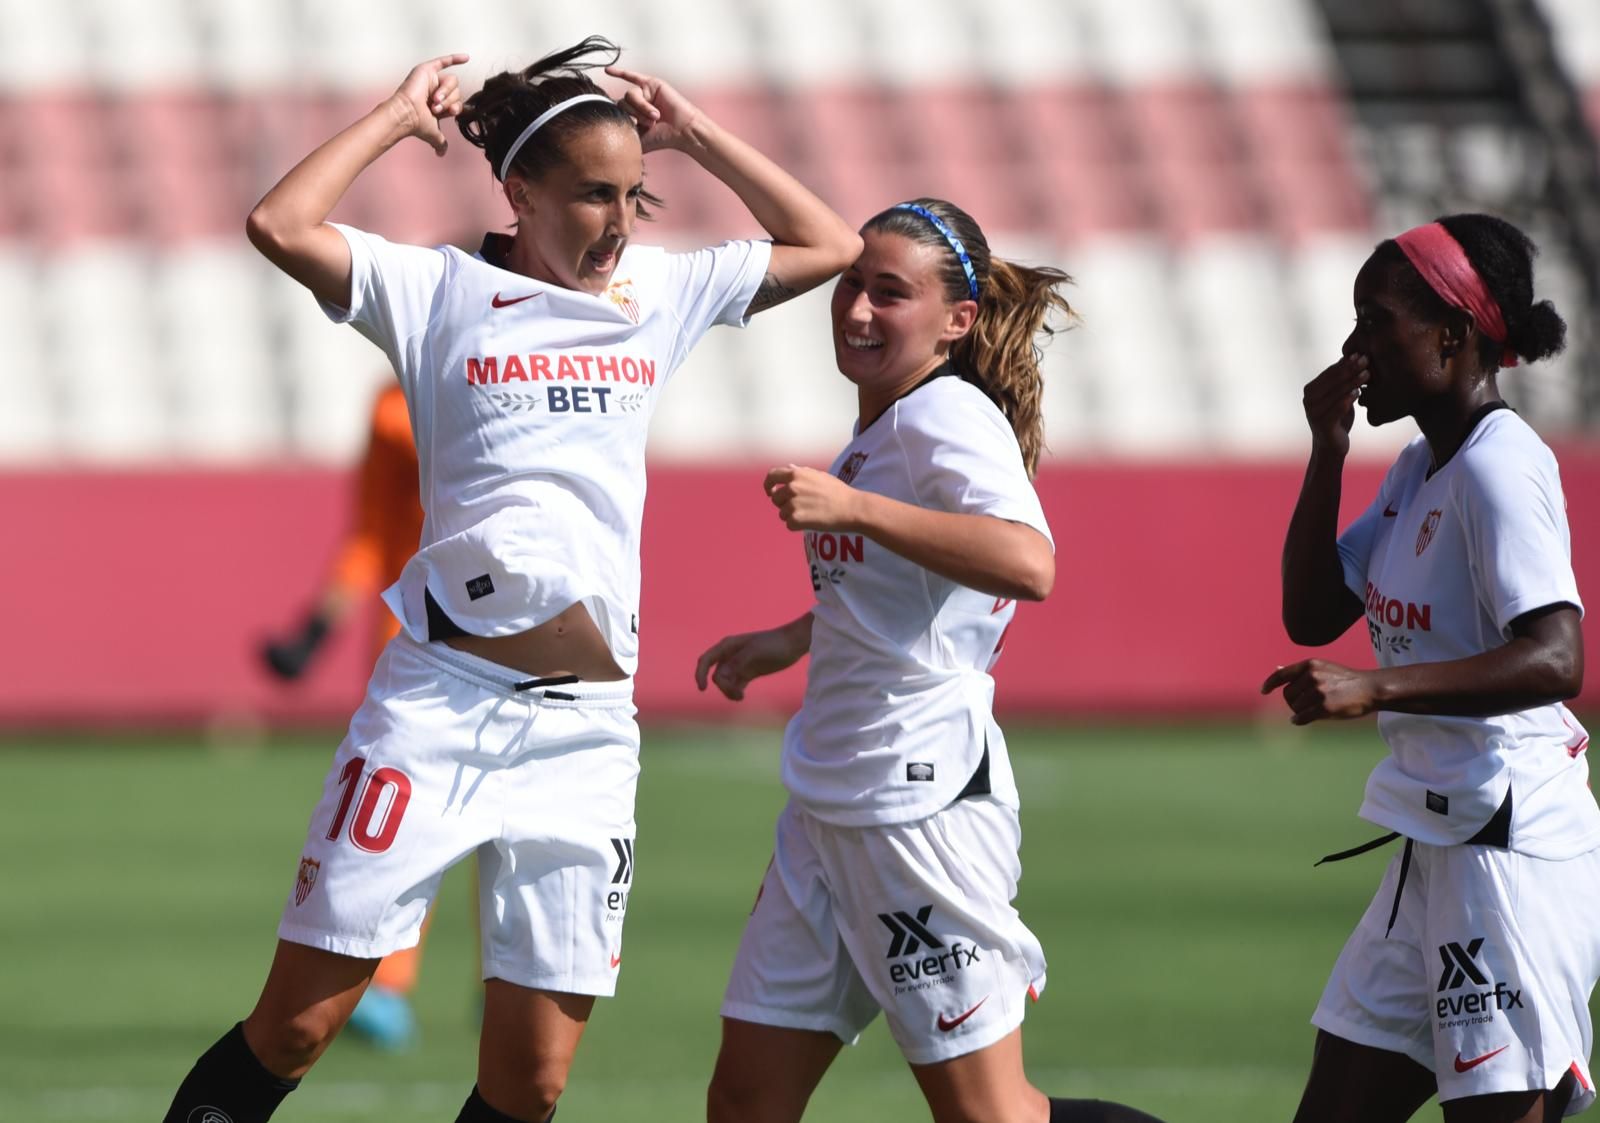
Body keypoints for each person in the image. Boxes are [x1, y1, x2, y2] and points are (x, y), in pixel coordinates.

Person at [165, 35, 860, 1123]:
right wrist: (397, 116)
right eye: (591, 194)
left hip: (585, 737)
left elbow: (829, 242)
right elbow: (279, 225)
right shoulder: (435, 292)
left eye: (635, 195)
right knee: (297, 1025)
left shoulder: (655, 295)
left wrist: (698, 134)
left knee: (529, 1084)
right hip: (436, 706)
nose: (619, 221)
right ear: (518, 189)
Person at [694, 198, 1166, 1123]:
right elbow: (910, 591)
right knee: (746, 1102)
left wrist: (854, 510)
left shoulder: (942, 415)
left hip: (919, 811)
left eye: (889, 293)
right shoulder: (887, 427)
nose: (858, 309)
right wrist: (791, 636)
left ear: (958, 319)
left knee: (991, 1116)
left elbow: (1028, 563)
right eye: (852, 286)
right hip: (830, 807)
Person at [1262, 213, 1599, 1123]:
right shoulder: (1418, 468)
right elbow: (1316, 609)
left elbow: (1558, 656)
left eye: (1376, 321)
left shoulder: (1500, 466)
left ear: (1451, 336)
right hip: (1437, 840)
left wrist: (1373, 686)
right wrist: (1328, 449)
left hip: (1508, 850)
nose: (1353, 346)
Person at [260, 380, 430, 1051]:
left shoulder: (530, 370)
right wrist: (318, 626)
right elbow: (372, 531)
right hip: (414, 639)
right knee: (401, 814)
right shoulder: (394, 410)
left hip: (511, 634)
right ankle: (387, 981)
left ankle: (503, 980)